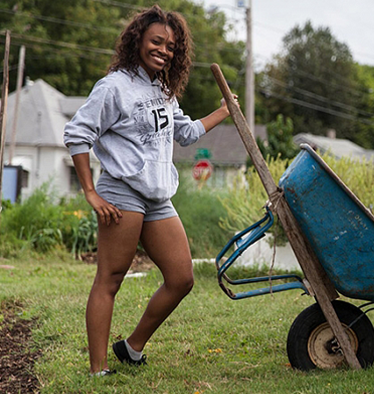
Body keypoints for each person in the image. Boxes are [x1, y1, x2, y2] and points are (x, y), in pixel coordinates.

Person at [63, 5, 234, 376]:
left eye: (171, 47)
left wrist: (224, 112)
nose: (164, 50)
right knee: (110, 279)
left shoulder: (161, 89)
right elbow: (77, 134)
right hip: (121, 192)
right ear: (138, 39)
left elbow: (185, 133)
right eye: (157, 41)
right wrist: (91, 193)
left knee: (181, 277)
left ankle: (132, 347)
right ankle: (98, 370)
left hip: (157, 196)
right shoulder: (114, 87)